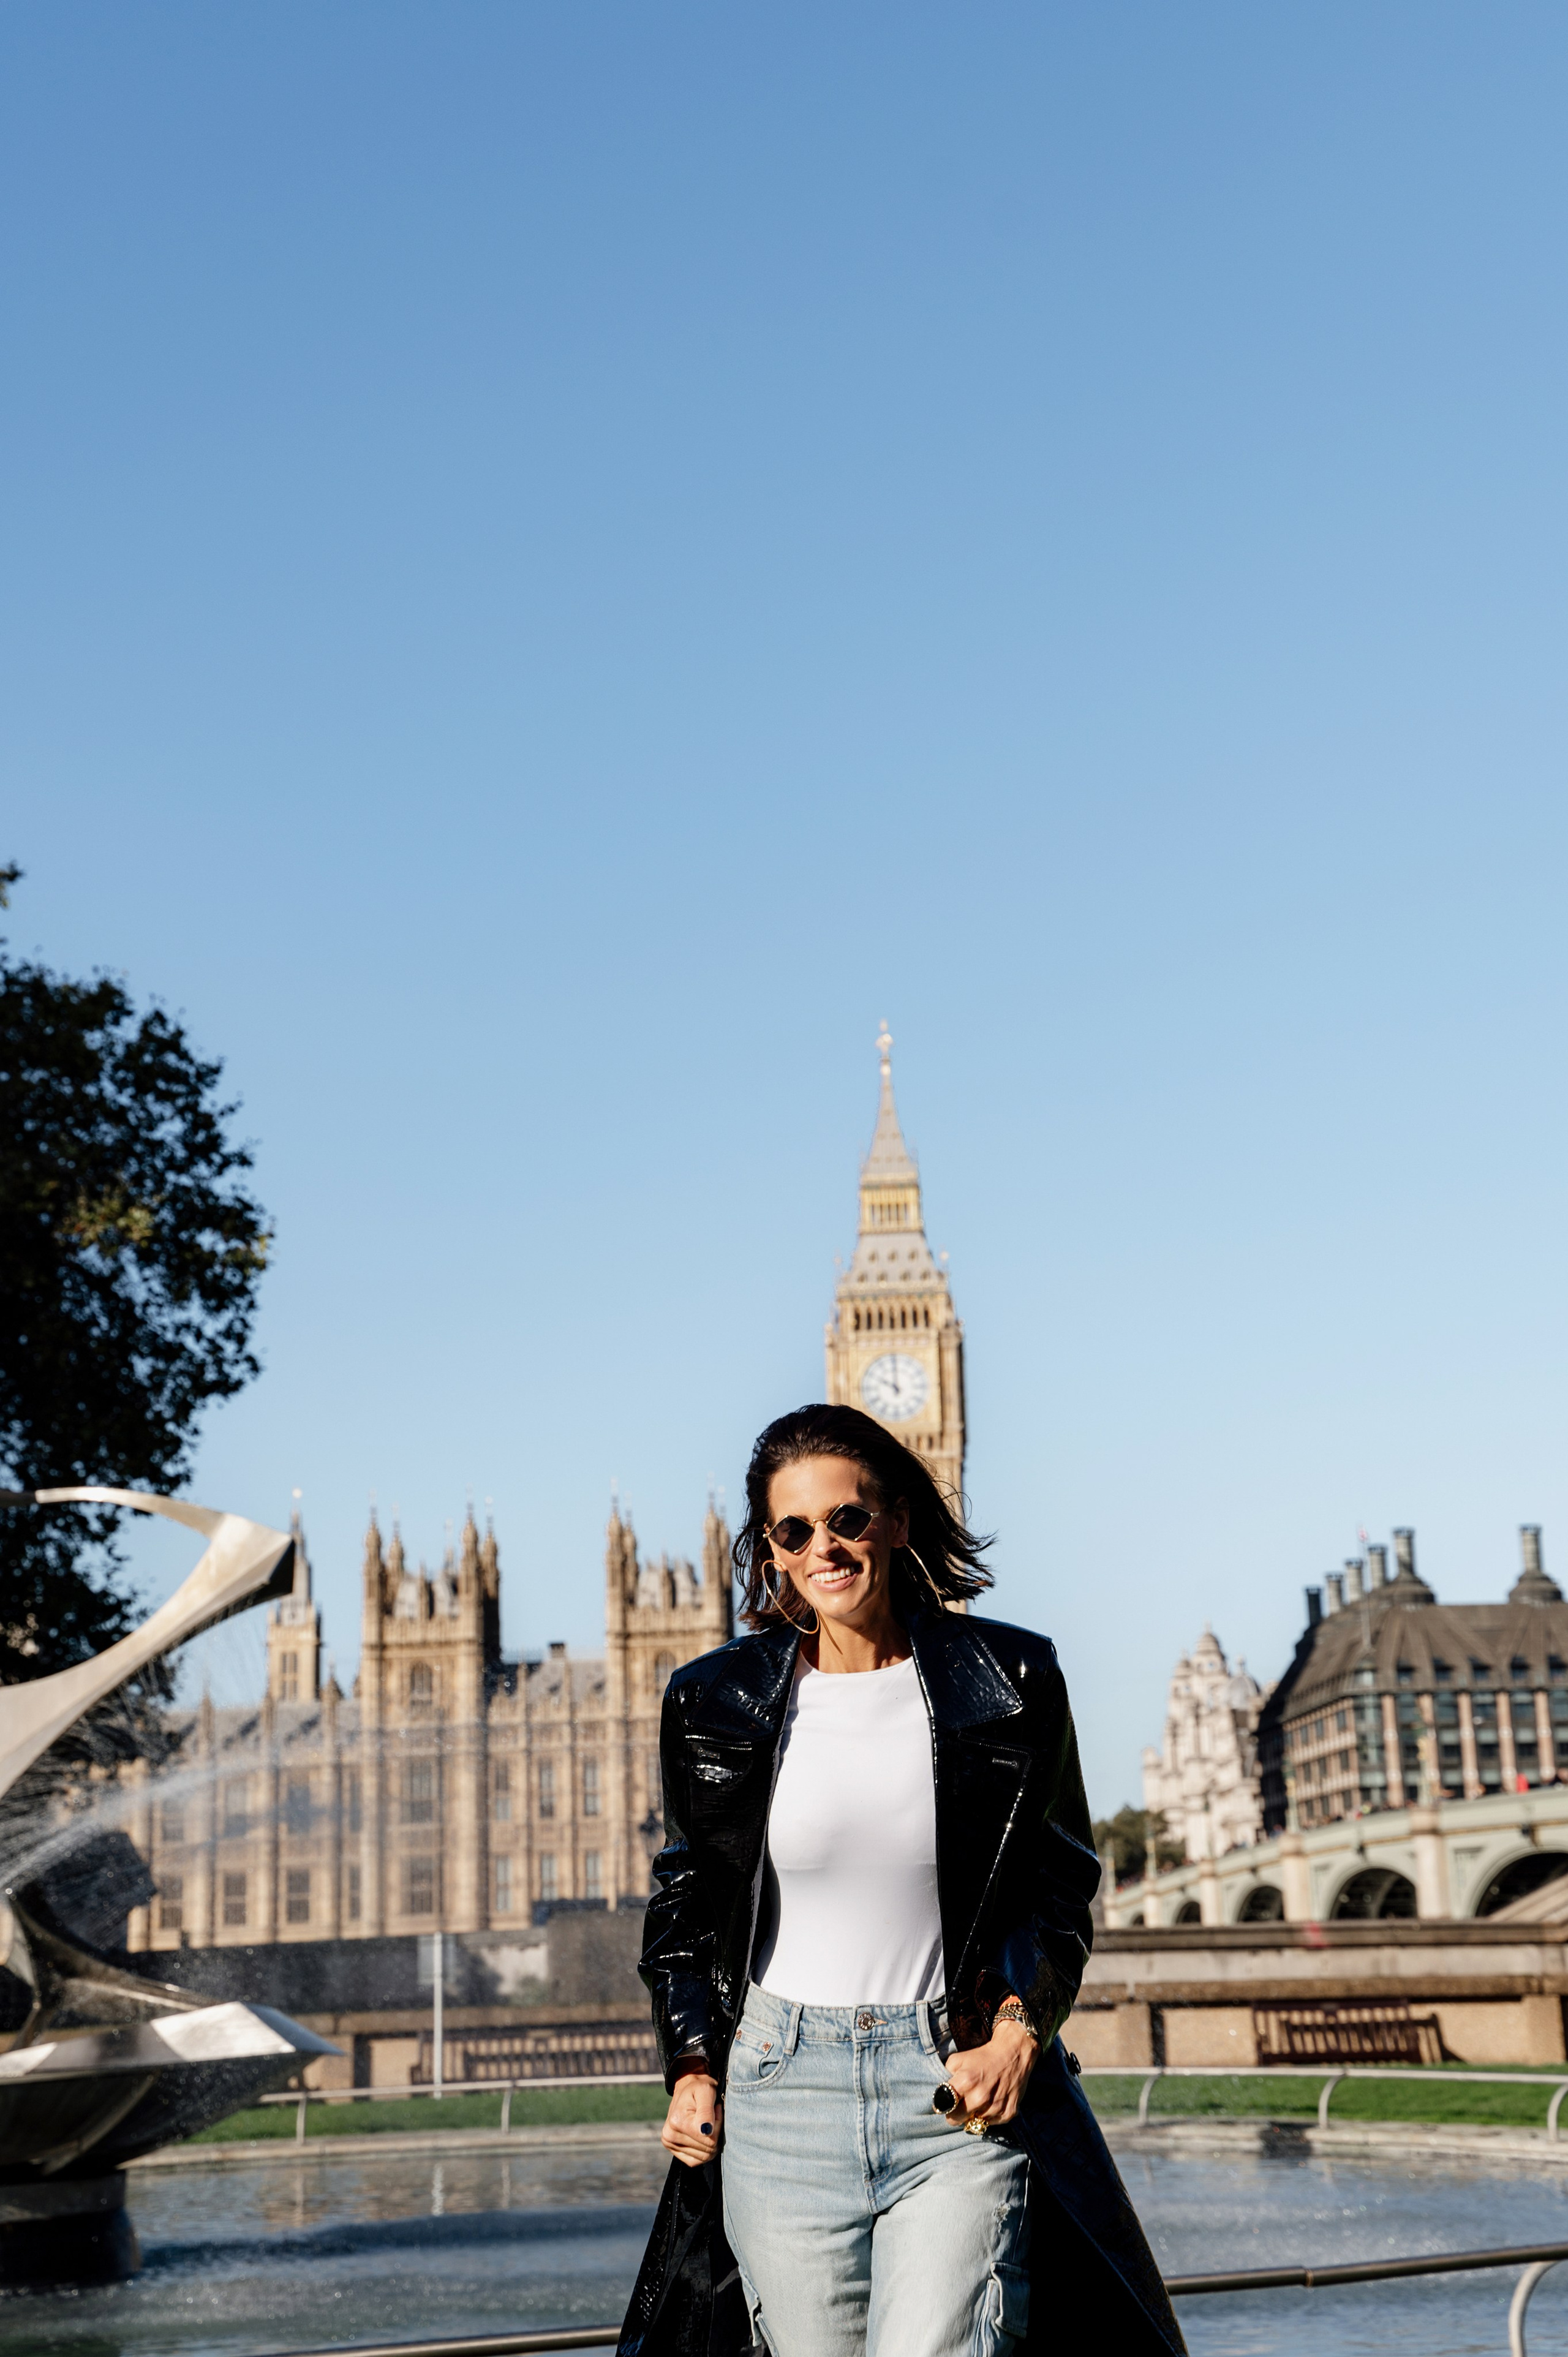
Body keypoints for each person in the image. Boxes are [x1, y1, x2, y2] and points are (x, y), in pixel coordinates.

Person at [617, 1403, 1184, 2357]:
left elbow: (1060, 1887)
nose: (824, 1548)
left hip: (950, 2088)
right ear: (770, 1554)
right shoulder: (714, 1700)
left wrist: (1018, 2031)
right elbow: (685, 1900)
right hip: (780, 2090)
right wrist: (691, 2064)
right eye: (793, 1531)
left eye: (848, 1519)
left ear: (899, 1521)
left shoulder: (1008, 1677)